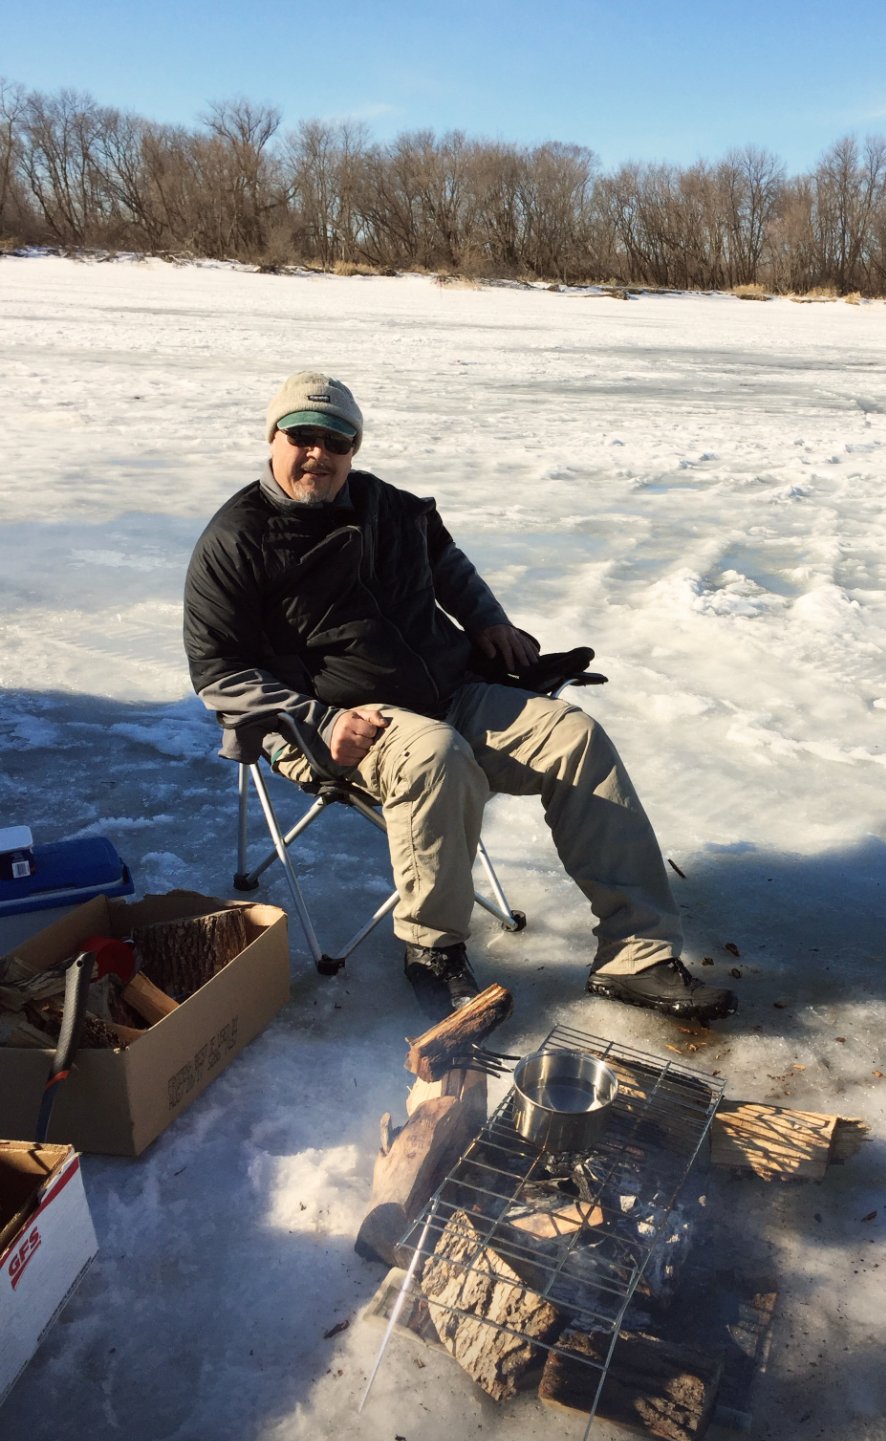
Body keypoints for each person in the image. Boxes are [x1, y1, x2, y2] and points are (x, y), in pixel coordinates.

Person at [184, 371, 737, 1022]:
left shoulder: (385, 506)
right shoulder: (235, 540)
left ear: (354, 449)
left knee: (574, 737)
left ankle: (635, 955)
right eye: (302, 436)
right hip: (338, 722)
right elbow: (217, 670)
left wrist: (489, 622)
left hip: (449, 689)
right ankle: (433, 954)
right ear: (272, 436)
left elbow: (446, 561)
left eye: (336, 441)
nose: (319, 454)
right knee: (436, 755)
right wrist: (318, 719)